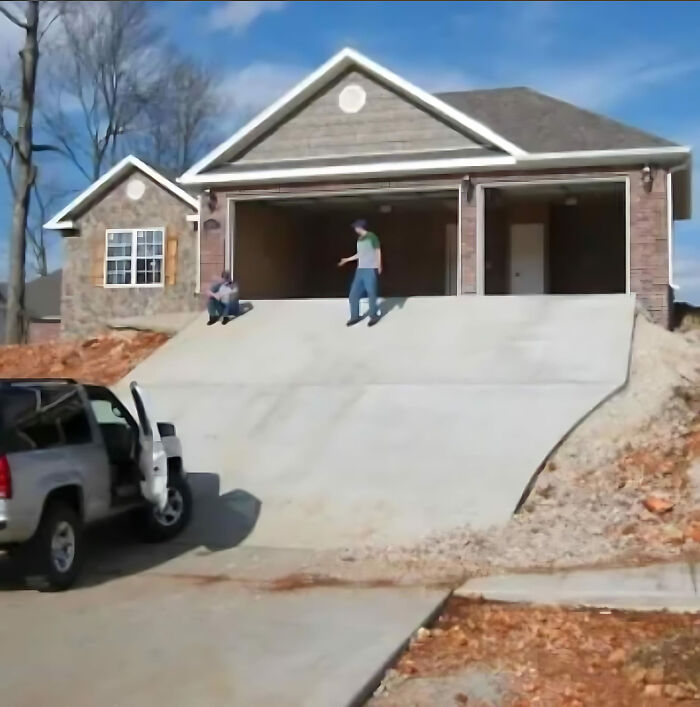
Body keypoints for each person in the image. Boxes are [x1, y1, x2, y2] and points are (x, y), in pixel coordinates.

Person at [338, 219, 382, 327]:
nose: (355, 229)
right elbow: (360, 254)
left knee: (371, 292)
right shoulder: (359, 239)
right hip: (360, 269)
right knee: (353, 293)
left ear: (360, 227)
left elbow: (377, 250)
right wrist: (347, 260)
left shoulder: (372, 237)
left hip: (370, 268)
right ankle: (355, 316)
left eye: (356, 227)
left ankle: (373, 316)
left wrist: (379, 265)